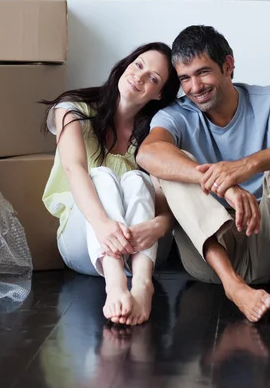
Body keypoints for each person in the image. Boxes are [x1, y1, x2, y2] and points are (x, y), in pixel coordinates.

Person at [137, 26, 270, 333]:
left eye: (203, 73)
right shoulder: (176, 114)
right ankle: (234, 287)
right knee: (172, 167)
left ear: (228, 65)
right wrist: (225, 185)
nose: (195, 86)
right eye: (185, 78)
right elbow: (148, 154)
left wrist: (245, 166)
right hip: (211, 255)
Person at [42, 42, 179, 325]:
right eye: (138, 65)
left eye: (153, 78)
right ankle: (115, 284)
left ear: (159, 94)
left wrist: (158, 226)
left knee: (137, 178)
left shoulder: (158, 130)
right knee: (101, 176)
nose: (139, 77)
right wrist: (103, 225)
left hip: (143, 250)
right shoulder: (73, 109)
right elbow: (74, 167)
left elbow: (164, 199)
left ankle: (142, 286)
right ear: (126, 64)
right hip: (84, 240)